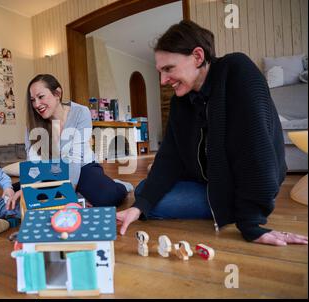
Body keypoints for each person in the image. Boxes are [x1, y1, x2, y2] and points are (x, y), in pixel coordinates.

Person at [116, 20, 308, 247]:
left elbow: (256, 151)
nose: (163, 80)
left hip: (240, 185)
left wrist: (251, 223)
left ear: (198, 56)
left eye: (169, 69)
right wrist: (139, 207)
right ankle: (221, 205)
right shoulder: (181, 100)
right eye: (160, 71)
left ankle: (235, 207)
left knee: (149, 195)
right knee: (143, 194)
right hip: (207, 182)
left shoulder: (237, 70)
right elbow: (170, 156)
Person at [8, 74, 132, 210]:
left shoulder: (80, 112)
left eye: (41, 97)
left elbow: (74, 158)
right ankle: (79, 194)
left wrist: (69, 198)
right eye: (32, 100)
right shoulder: (33, 123)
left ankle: (118, 185)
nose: (36, 104)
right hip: (50, 170)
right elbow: (33, 162)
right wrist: (29, 189)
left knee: (106, 198)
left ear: (57, 93)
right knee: (14, 194)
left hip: (82, 166)